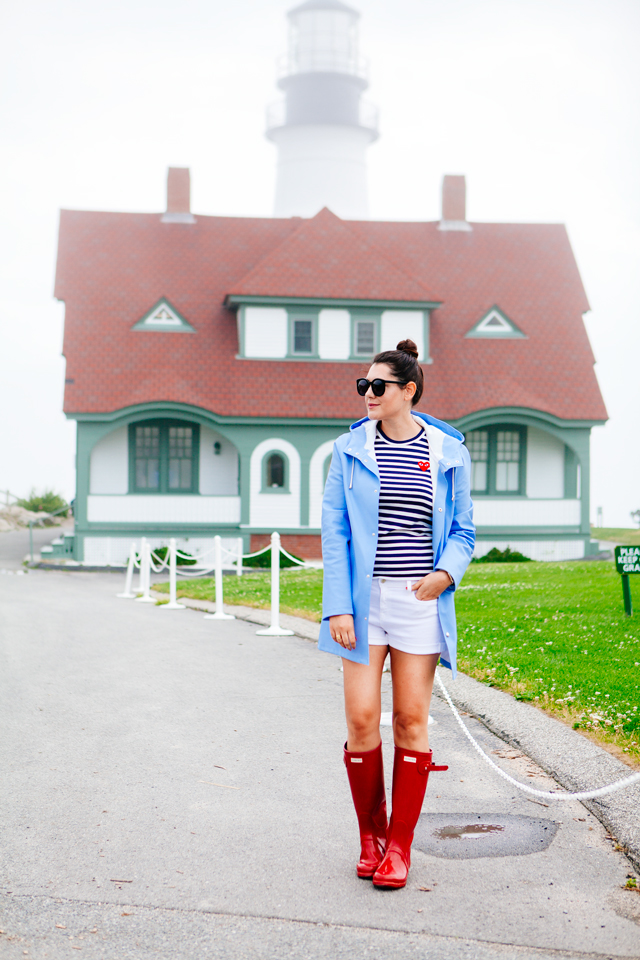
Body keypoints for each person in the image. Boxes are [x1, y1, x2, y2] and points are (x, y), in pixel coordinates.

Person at [319, 339, 475, 889]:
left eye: (377, 386)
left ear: (408, 391)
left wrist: (446, 574)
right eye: (363, 385)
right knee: (361, 719)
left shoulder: (448, 451)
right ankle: (371, 836)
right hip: (363, 605)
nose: (367, 394)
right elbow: (334, 531)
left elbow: (464, 531)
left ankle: (401, 848)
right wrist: (337, 605)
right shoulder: (349, 450)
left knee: (411, 721)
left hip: (419, 603)